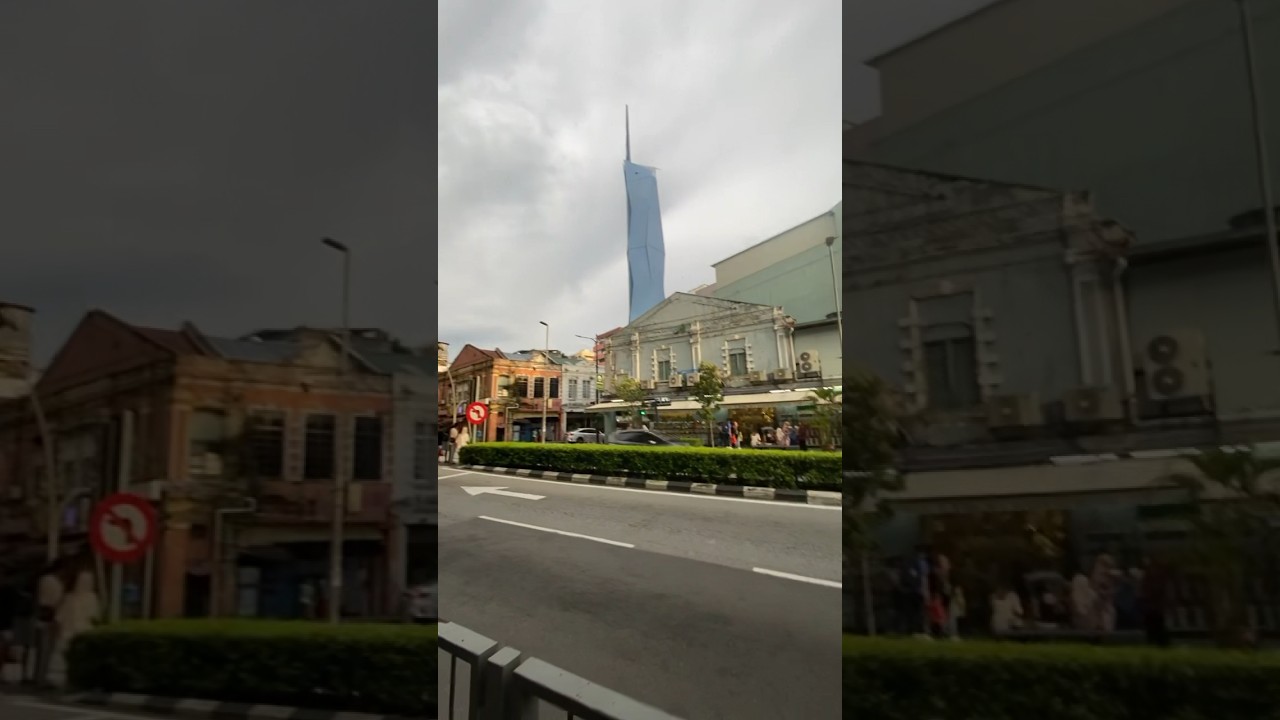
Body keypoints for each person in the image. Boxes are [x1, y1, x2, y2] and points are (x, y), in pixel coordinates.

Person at [53, 570, 100, 669]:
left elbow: (59, 618)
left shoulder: (71, 597)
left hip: (74, 633)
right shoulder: (90, 598)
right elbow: (94, 617)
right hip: (77, 632)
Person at [30, 561, 64, 687]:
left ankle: (38, 676)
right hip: (49, 615)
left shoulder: (43, 579)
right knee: (46, 649)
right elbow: (54, 600)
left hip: (42, 615)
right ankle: (41, 678)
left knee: (42, 650)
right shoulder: (52, 581)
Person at [1140, 557, 1170, 647]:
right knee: (1154, 627)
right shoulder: (1150, 574)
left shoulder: (1156, 574)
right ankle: (1157, 643)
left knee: (1156, 626)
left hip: (1155, 607)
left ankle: (1159, 643)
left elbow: (1153, 590)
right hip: (1152, 607)